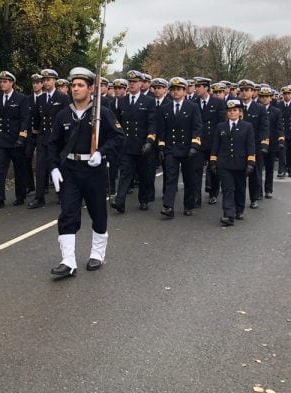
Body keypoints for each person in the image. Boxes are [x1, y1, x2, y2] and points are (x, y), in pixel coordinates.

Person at [47, 67, 125, 277]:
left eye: (81, 85)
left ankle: (97, 254)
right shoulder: (63, 114)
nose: (75, 89)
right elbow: (53, 144)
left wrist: (101, 152)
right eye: (73, 85)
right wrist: (53, 166)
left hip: (94, 170)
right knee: (68, 213)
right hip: (70, 170)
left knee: (97, 212)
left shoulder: (102, 113)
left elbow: (118, 137)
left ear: (91, 88)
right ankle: (68, 261)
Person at [156, 77, 203, 218]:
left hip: (188, 149)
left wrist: (195, 145)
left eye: (179, 89)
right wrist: (161, 147)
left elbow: (197, 127)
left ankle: (188, 205)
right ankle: (168, 207)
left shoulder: (192, 107)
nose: (175, 92)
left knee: (189, 179)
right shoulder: (165, 108)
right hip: (172, 148)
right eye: (173, 90)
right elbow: (162, 130)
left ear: (184, 91)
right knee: (171, 178)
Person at [111, 70, 157, 212]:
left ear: (141, 84)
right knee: (125, 173)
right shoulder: (122, 101)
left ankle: (143, 200)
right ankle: (120, 201)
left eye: (134, 82)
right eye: (130, 82)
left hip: (142, 144)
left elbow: (152, 122)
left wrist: (150, 140)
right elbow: (118, 122)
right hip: (127, 144)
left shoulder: (149, 101)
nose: (131, 84)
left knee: (144, 174)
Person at [209, 100, 256, 226]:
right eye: (229, 111)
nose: (232, 113)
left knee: (240, 188)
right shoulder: (221, 126)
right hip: (224, 163)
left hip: (240, 163)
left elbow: (250, 145)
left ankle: (239, 210)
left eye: (235, 110)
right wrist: (213, 161)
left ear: (240, 112)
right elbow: (215, 145)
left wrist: (251, 162)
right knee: (228, 188)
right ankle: (228, 214)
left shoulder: (247, 126)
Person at [0, 71, 30, 208]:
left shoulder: (21, 99)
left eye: (5, 81)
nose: (2, 84)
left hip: (15, 140)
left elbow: (25, 119)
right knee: (0, 169)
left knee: (19, 169)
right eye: (1, 81)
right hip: (1, 140)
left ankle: (20, 195)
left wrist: (21, 137)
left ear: (12, 83)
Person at [29, 69, 68, 208]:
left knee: (59, 167)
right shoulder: (40, 99)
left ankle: (62, 194)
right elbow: (37, 118)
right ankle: (39, 197)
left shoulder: (62, 98)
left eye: (49, 80)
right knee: (40, 168)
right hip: (43, 138)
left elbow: (66, 118)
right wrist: (36, 136)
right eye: (44, 80)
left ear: (55, 81)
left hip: (57, 139)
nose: (46, 82)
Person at [192, 78, 227, 207]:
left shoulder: (217, 103)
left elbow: (221, 123)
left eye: (199, 86)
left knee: (214, 169)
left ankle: (213, 193)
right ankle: (196, 197)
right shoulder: (193, 102)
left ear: (206, 88)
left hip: (213, 141)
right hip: (199, 141)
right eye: (196, 86)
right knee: (196, 170)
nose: (196, 89)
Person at [239, 79, 269, 208]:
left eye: (247, 90)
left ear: (253, 92)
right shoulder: (236, 107)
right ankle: (239, 200)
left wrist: (264, 144)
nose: (244, 93)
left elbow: (264, 127)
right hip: (239, 146)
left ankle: (254, 197)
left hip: (255, 146)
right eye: (242, 90)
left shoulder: (260, 108)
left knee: (255, 174)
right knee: (239, 174)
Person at [257, 86, 284, 199]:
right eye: (262, 97)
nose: (264, 99)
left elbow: (279, 127)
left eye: (266, 97)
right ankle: (258, 191)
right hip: (259, 143)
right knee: (258, 169)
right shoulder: (256, 109)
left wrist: (281, 139)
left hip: (272, 143)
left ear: (271, 98)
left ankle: (268, 190)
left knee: (269, 168)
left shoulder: (276, 111)